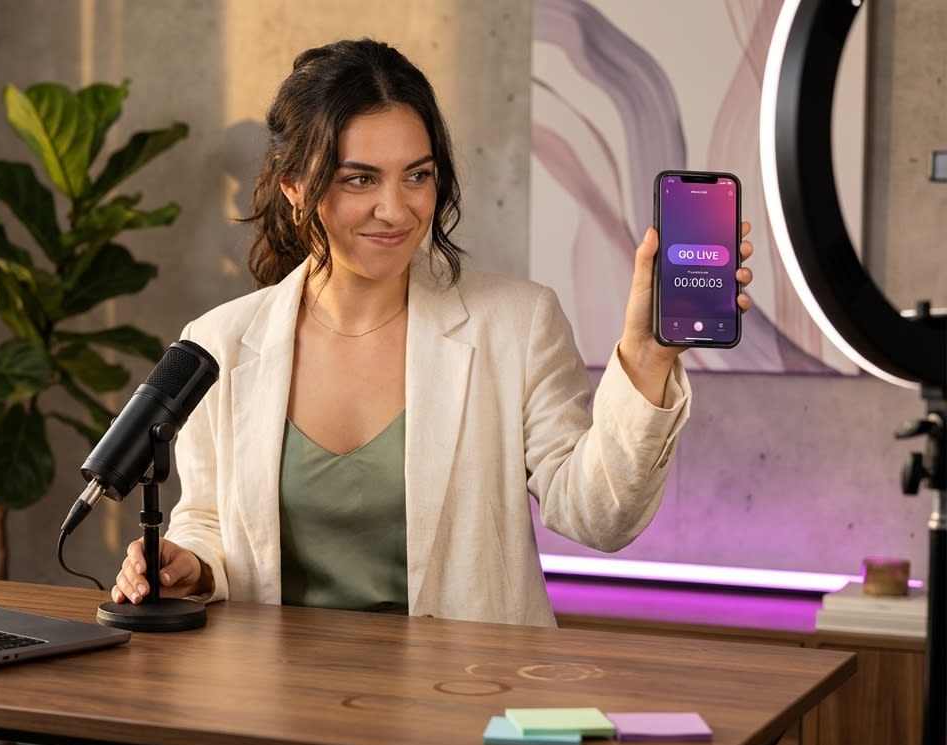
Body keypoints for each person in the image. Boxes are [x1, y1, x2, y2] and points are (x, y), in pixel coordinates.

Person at [109, 38, 754, 626]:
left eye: (417, 175)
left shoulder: (518, 325)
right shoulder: (218, 344)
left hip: (458, 712)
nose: (397, 209)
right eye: (360, 179)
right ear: (296, 188)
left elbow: (597, 514)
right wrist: (186, 564)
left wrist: (645, 355)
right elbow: (212, 521)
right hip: (273, 711)